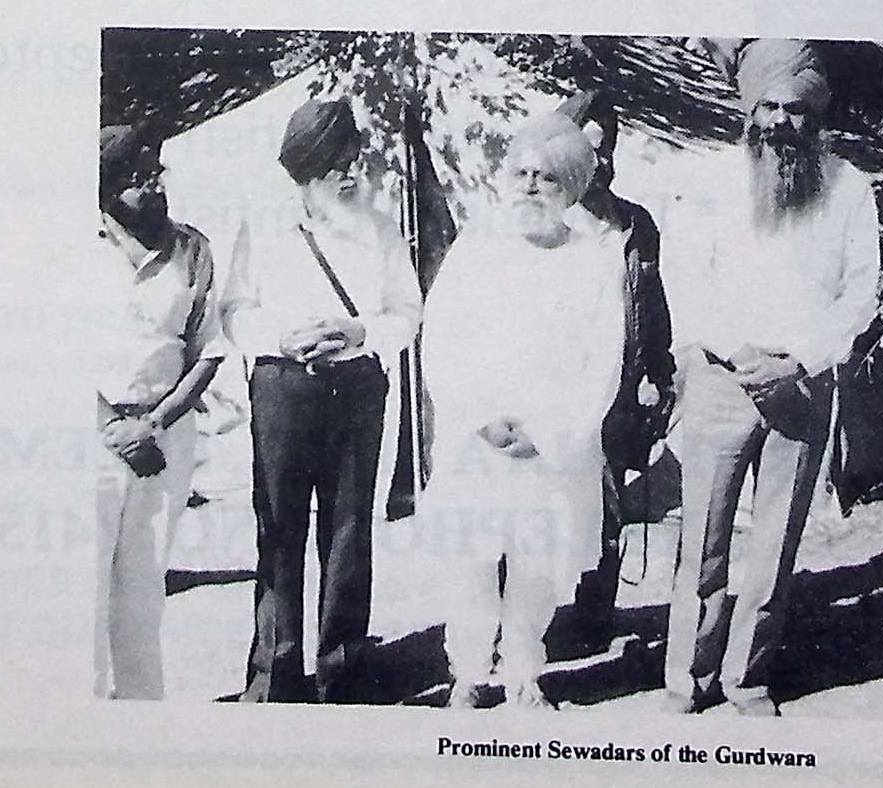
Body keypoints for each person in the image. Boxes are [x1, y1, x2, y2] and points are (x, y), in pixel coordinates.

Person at [661, 39, 881, 715]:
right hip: (722, 379)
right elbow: (684, 275)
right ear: (748, 108)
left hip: (803, 383)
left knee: (775, 544)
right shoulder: (708, 180)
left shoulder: (849, 188)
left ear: (818, 116)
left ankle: (747, 678)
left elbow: (860, 292)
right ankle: (685, 680)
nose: (782, 122)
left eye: (797, 110)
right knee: (703, 539)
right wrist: (740, 355)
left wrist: (797, 364)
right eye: (770, 107)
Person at [418, 112, 625, 709]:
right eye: (524, 173)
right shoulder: (477, 249)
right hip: (478, 436)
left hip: (550, 444)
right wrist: (479, 416)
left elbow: (602, 362)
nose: (533, 186)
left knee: (540, 562)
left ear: (572, 189)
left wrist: (552, 433)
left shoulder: (593, 260)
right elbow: (443, 342)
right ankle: (468, 672)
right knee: (472, 557)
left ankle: (523, 676)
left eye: (550, 178)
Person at [220, 98, 422, 703]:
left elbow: (407, 312)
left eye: (355, 158)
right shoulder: (264, 226)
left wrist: (362, 333)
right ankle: (274, 673)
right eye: (338, 162)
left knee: (348, 530)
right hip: (283, 388)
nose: (352, 173)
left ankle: (344, 669)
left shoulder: (382, 229)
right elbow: (234, 310)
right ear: (306, 171)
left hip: (358, 389)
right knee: (278, 528)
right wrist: (280, 338)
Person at [96, 122, 225, 699]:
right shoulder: (67, 248)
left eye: (156, 173)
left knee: (143, 592)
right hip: (87, 436)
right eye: (135, 180)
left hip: (165, 436)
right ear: (103, 192)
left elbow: (208, 349)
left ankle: (143, 727)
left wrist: (153, 425)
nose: (153, 187)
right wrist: (111, 425)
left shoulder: (191, 248)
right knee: (84, 587)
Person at [555, 90, 676, 649]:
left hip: (618, 396)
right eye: (589, 151)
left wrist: (659, 371)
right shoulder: (544, 227)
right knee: (546, 508)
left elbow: (653, 304)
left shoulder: (635, 225)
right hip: (556, 396)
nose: (600, 164)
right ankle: (526, 624)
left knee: (608, 508)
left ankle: (592, 618)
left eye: (608, 151)